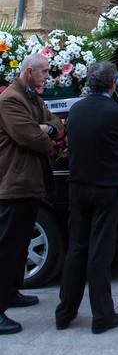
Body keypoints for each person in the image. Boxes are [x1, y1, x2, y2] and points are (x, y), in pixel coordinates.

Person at [55, 61, 118, 334]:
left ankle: (65, 312)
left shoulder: (77, 110)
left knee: (76, 248)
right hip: (106, 187)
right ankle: (102, 315)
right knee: (100, 250)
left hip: (78, 185)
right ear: (113, 84)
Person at [0, 54, 62, 335]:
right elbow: (30, 137)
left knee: (20, 245)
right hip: (14, 184)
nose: (47, 76)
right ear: (28, 72)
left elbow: (56, 123)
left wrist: (47, 127)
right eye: (44, 71)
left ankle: (12, 293)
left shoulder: (32, 97)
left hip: (29, 183)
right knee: (7, 249)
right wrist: (44, 131)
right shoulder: (11, 100)